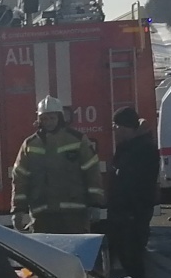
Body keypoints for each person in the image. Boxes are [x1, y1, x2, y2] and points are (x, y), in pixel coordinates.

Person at [10, 95, 104, 234]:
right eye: (44, 119)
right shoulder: (29, 145)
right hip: (41, 215)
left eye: (52, 118)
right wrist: (17, 210)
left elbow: (92, 172)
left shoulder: (78, 140)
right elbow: (20, 178)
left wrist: (96, 204)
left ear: (60, 117)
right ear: (38, 120)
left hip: (74, 215)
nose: (48, 122)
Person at [107, 106, 161, 278]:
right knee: (125, 263)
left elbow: (137, 185)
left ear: (126, 127)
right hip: (123, 215)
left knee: (133, 264)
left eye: (116, 127)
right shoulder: (128, 148)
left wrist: (130, 213)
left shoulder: (143, 150)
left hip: (132, 216)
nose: (114, 131)